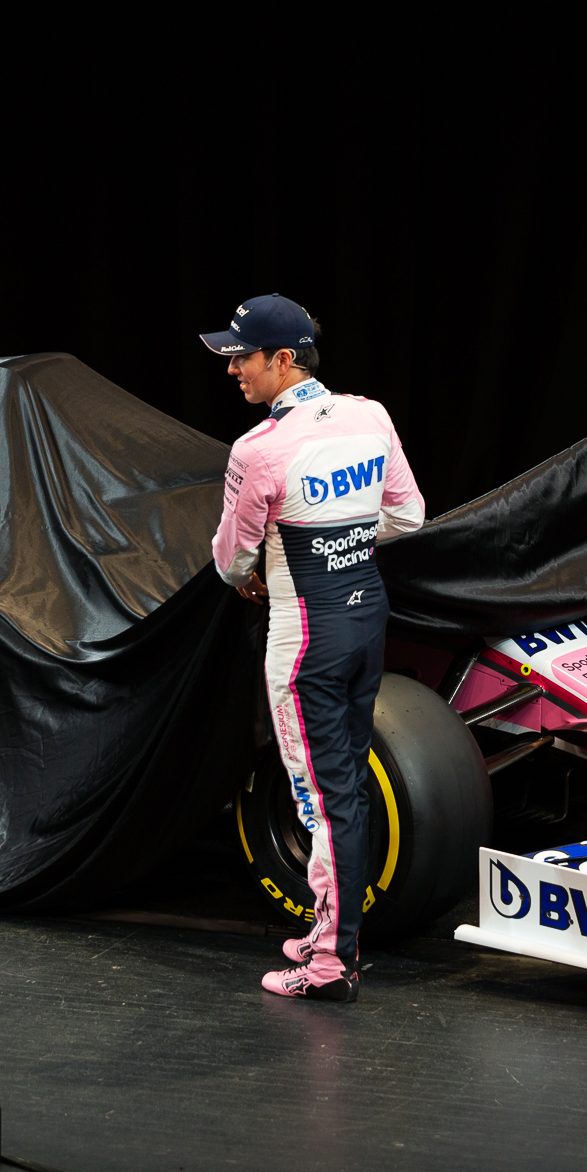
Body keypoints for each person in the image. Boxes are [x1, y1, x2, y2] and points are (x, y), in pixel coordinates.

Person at [202, 294, 425, 1002]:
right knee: (344, 793)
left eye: (243, 356)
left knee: (325, 805)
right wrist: (343, 539)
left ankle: (330, 963)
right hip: (365, 621)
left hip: (304, 644)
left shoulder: (259, 448)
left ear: (284, 361)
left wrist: (269, 565)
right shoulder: (372, 414)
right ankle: (333, 935)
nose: (234, 369)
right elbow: (407, 514)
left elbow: (230, 560)